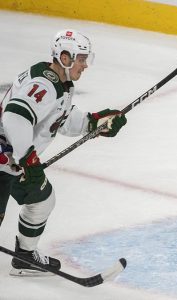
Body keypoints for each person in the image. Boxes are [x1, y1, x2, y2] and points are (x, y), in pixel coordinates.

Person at [0, 29, 127, 275]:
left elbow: (59, 120)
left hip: (13, 161)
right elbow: (15, 116)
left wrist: (93, 123)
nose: (85, 65)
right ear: (65, 57)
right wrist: (28, 158)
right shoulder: (45, 84)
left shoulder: (61, 83)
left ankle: (25, 257)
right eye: (81, 58)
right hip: (5, 159)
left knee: (41, 199)